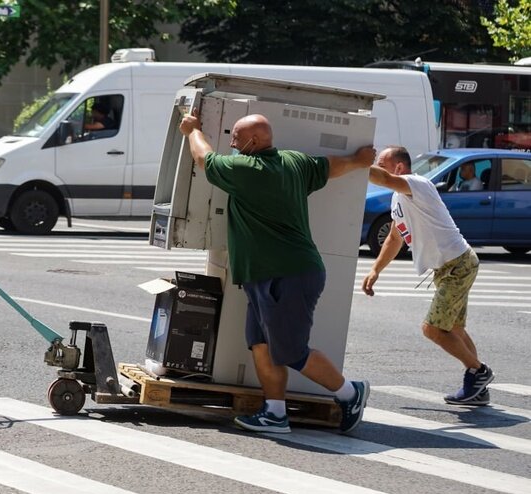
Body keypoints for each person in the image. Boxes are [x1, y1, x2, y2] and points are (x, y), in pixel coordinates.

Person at [179, 109, 374, 434]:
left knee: (292, 352)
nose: (232, 142)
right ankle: (274, 412)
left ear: (254, 142)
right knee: (260, 344)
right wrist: (358, 160)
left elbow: (204, 160)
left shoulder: (248, 169)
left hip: (288, 273)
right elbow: (329, 167)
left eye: (237, 137)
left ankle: (350, 393)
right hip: (266, 275)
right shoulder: (294, 162)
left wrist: (191, 130)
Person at [363, 146, 493, 406]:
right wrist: (376, 269)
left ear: (399, 167)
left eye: (380, 163)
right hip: (449, 266)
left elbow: (384, 179)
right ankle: (478, 388)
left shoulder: (417, 183)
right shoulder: (398, 198)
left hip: (458, 264)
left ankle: (479, 372)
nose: (377, 167)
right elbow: (394, 237)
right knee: (454, 328)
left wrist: (356, 163)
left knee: (432, 329)